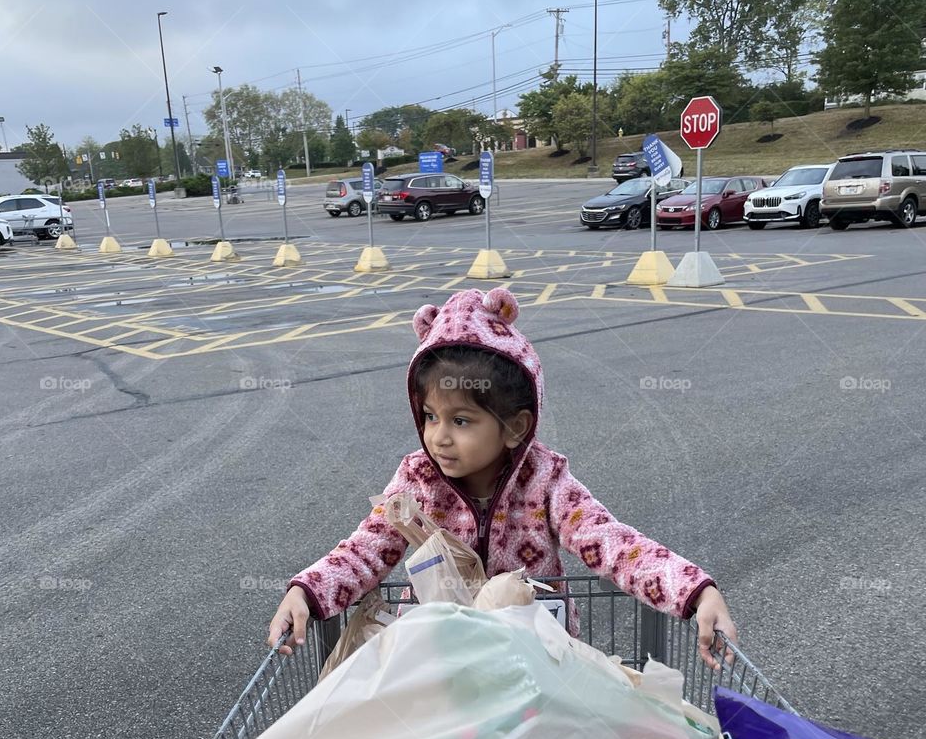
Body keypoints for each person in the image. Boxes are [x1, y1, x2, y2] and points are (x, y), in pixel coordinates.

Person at [268, 286, 737, 667]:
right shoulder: (417, 480)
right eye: (430, 416)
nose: (439, 438)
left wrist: (695, 591)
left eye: (462, 421)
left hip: (535, 660)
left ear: (515, 427)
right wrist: (307, 590)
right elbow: (366, 548)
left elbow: (613, 544)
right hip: (441, 660)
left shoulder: (546, 481)